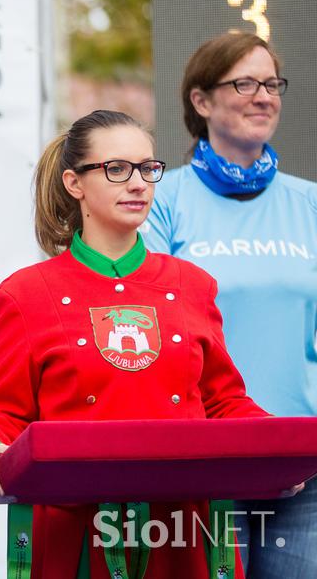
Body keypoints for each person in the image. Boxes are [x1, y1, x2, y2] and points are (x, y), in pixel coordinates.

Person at [0, 110, 283, 578]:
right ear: (74, 183)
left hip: (184, 531)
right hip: (76, 536)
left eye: (148, 168)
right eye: (117, 169)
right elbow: (7, 413)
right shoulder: (23, 295)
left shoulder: (193, 284)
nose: (139, 183)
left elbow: (224, 401)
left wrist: (282, 446)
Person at [144, 33, 317, 578]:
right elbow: (152, 323)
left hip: (302, 459)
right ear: (201, 101)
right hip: (204, 460)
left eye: (271, 84)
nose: (262, 96)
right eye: (244, 83)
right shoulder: (159, 201)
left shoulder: (309, 204)